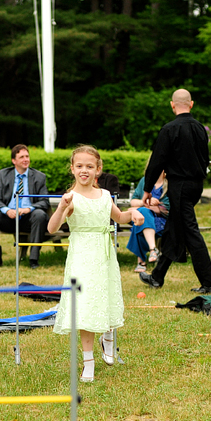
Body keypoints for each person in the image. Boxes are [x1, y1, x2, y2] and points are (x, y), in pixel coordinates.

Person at [49, 146, 144, 382]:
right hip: (81, 255)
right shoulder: (71, 198)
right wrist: (61, 206)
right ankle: (88, 361)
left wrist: (133, 212)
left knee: (105, 297)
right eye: (79, 166)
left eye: (89, 166)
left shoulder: (104, 196)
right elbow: (51, 229)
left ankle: (108, 337)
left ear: (97, 170)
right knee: (85, 306)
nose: (84, 170)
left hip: (104, 255)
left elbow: (119, 218)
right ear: (72, 169)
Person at [138, 89, 211, 294]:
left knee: (191, 232)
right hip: (196, 185)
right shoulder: (200, 128)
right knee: (174, 230)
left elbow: (157, 161)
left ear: (172, 105)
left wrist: (147, 190)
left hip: (180, 186)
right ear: (191, 104)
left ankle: (210, 284)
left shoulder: (169, 129)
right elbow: (204, 158)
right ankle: (157, 276)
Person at [0, 144, 50, 268]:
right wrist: (7, 211)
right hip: (9, 218)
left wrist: (28, 209)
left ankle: (33, 260)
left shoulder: (39, 177)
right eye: (21, 157)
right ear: (14, 161)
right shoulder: (4, 175)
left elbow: (44, 201)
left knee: (40, 214)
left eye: (27, 156)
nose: (26, 159)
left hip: (28, 218)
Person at [127, 169, 170, 273]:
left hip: (161, 220)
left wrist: (141, 208)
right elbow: (133, 201)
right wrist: (144, 202)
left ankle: (141, 262)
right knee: (143, 213)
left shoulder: (169, 182)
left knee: (139, 222)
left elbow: (168, 209)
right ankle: (153, 249)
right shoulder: (145, 181)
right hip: (143, 217)